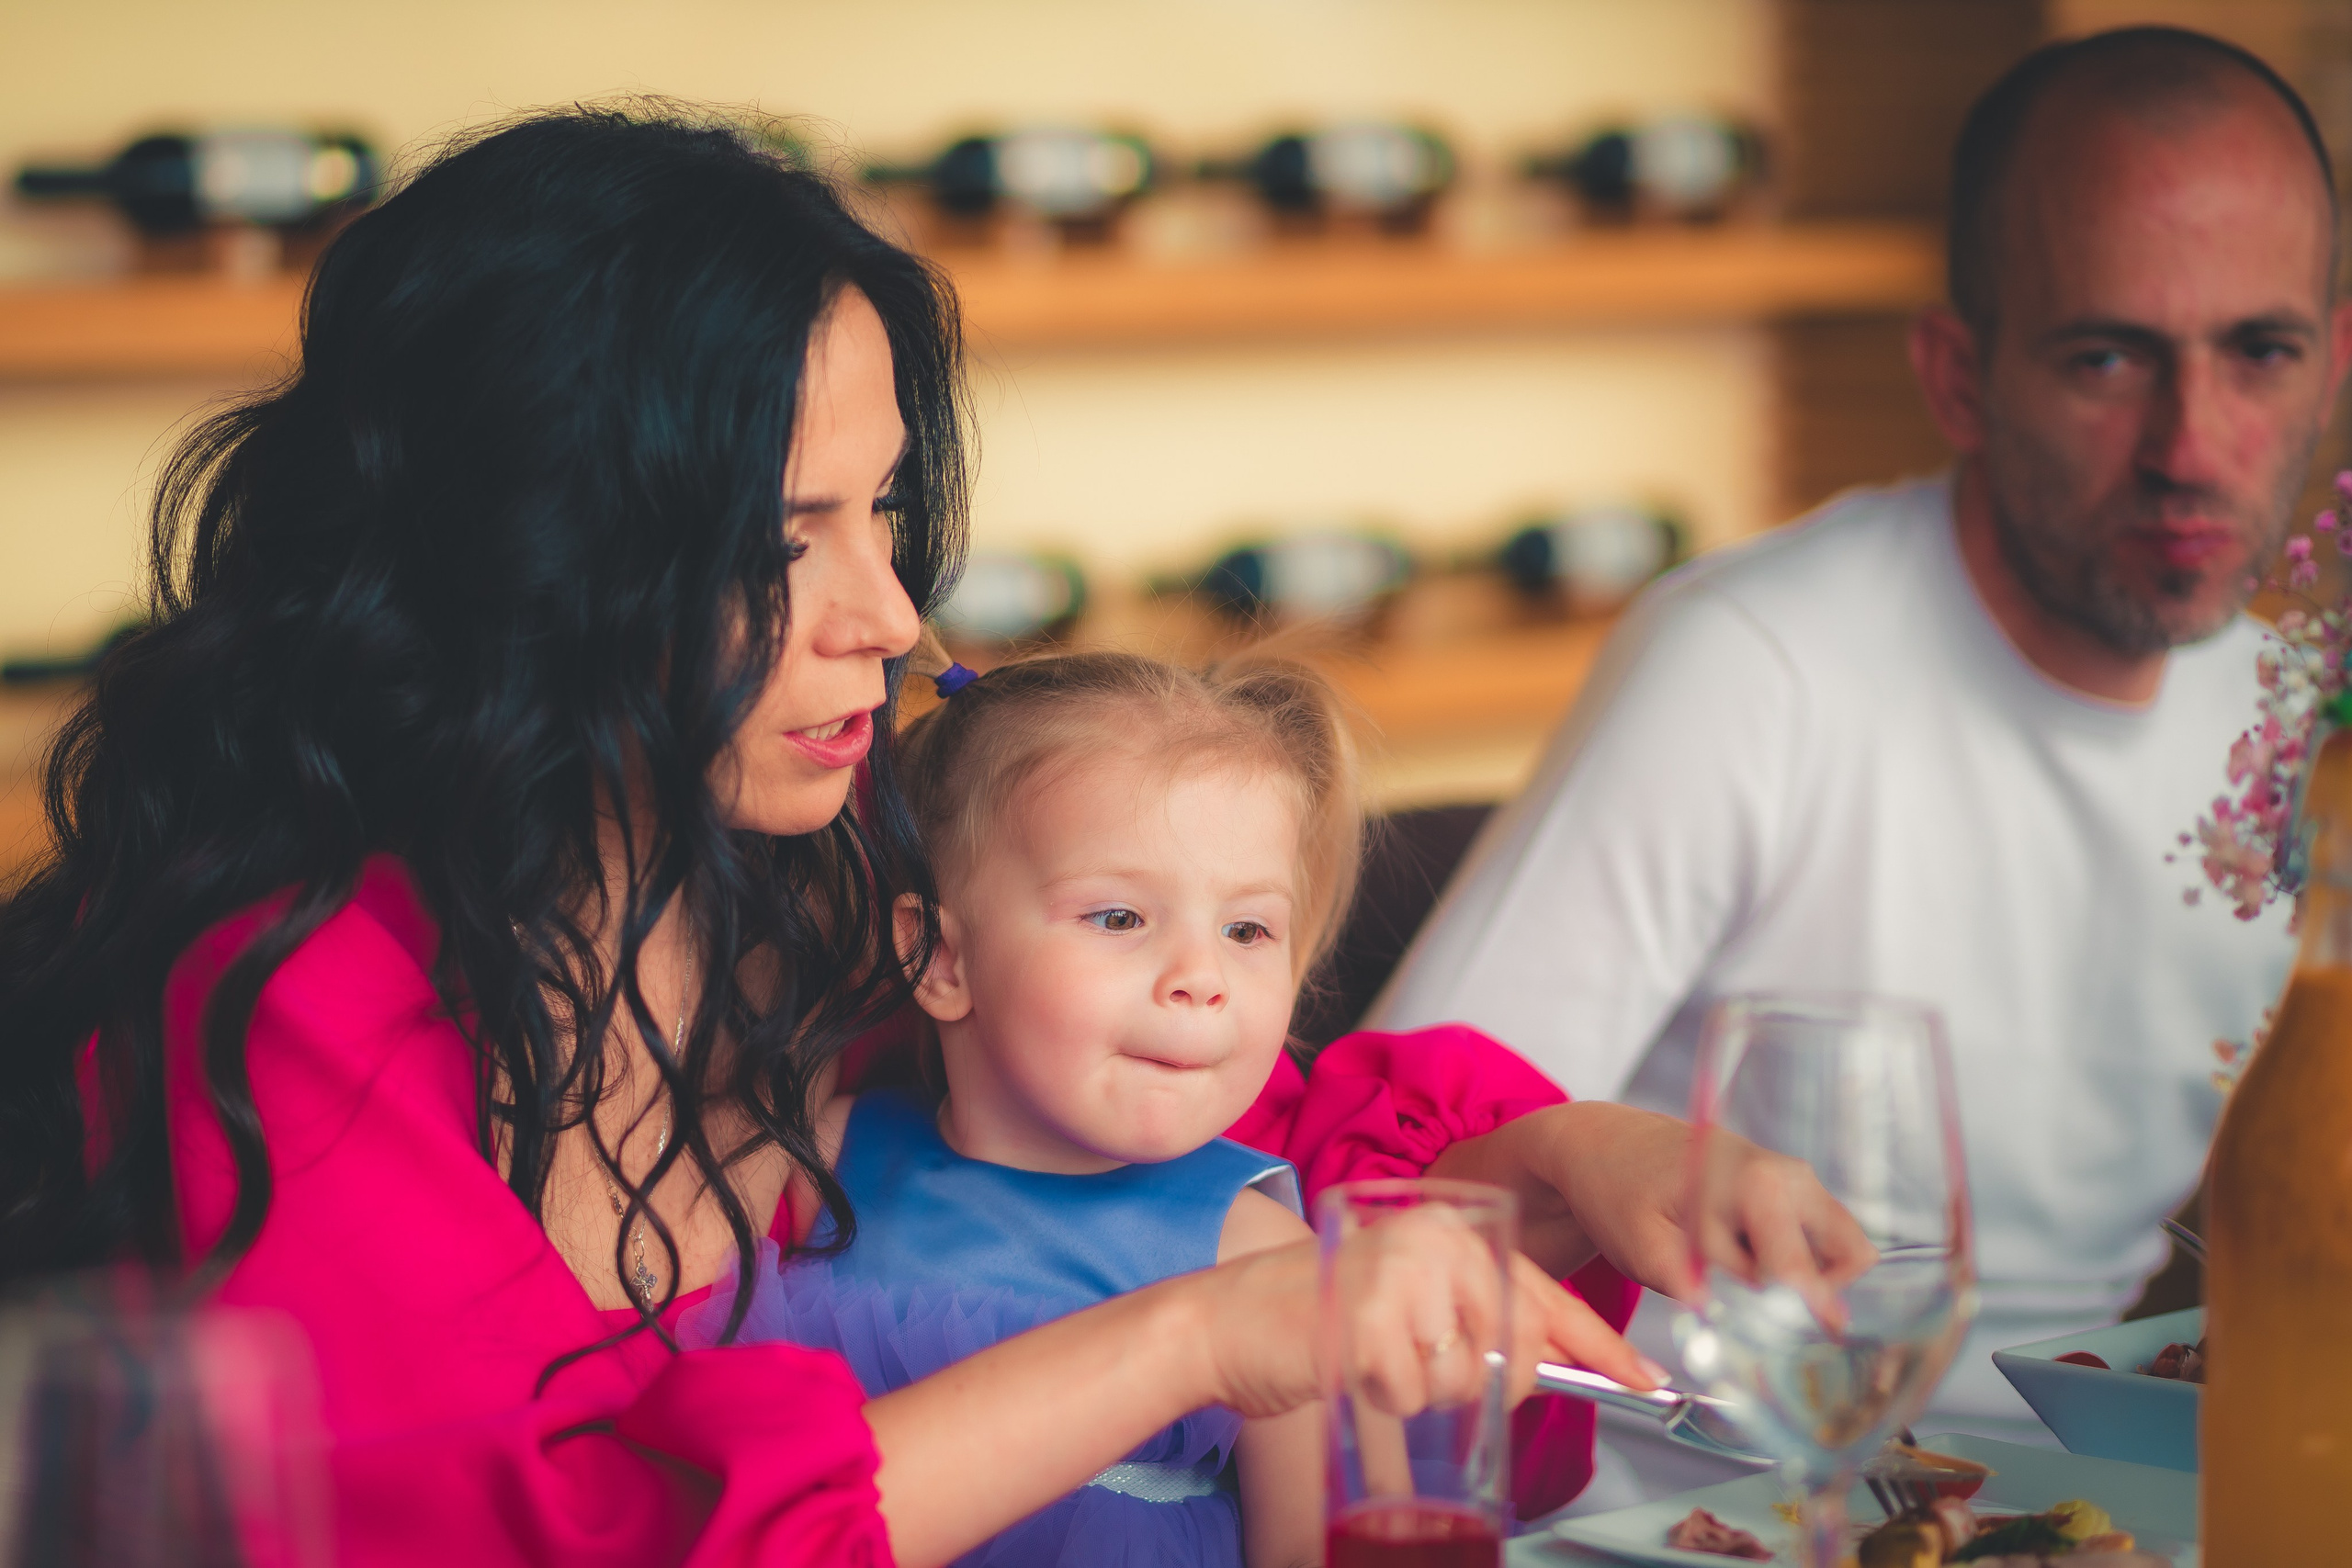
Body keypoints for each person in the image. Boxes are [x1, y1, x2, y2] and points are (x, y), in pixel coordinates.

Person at [0, 107, 1862, 1565]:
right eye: (777, 540)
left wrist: (1551, 1150)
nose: (887, 616)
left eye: (882, 512)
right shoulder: (277, 1004)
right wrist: (1194, 1340)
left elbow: (1170, 1129)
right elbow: (557, 1539)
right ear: (532, 554)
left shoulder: (809, 856)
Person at [1374, 24, 2352, 1438]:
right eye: (2105, 358)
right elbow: (1391, 1183)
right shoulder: (1753, 667)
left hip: (2097, 1504)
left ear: (2329, 368)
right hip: (1698, 1503)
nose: (2192, 444)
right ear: (1958, 375)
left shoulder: (2293, 726)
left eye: (2261, 351)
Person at [685, 646, 1369, 1568]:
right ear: (941, 959)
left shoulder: (1261, 1262)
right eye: (1120, 918)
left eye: (1246, 930)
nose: (1201, 980)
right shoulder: (823, 1163)